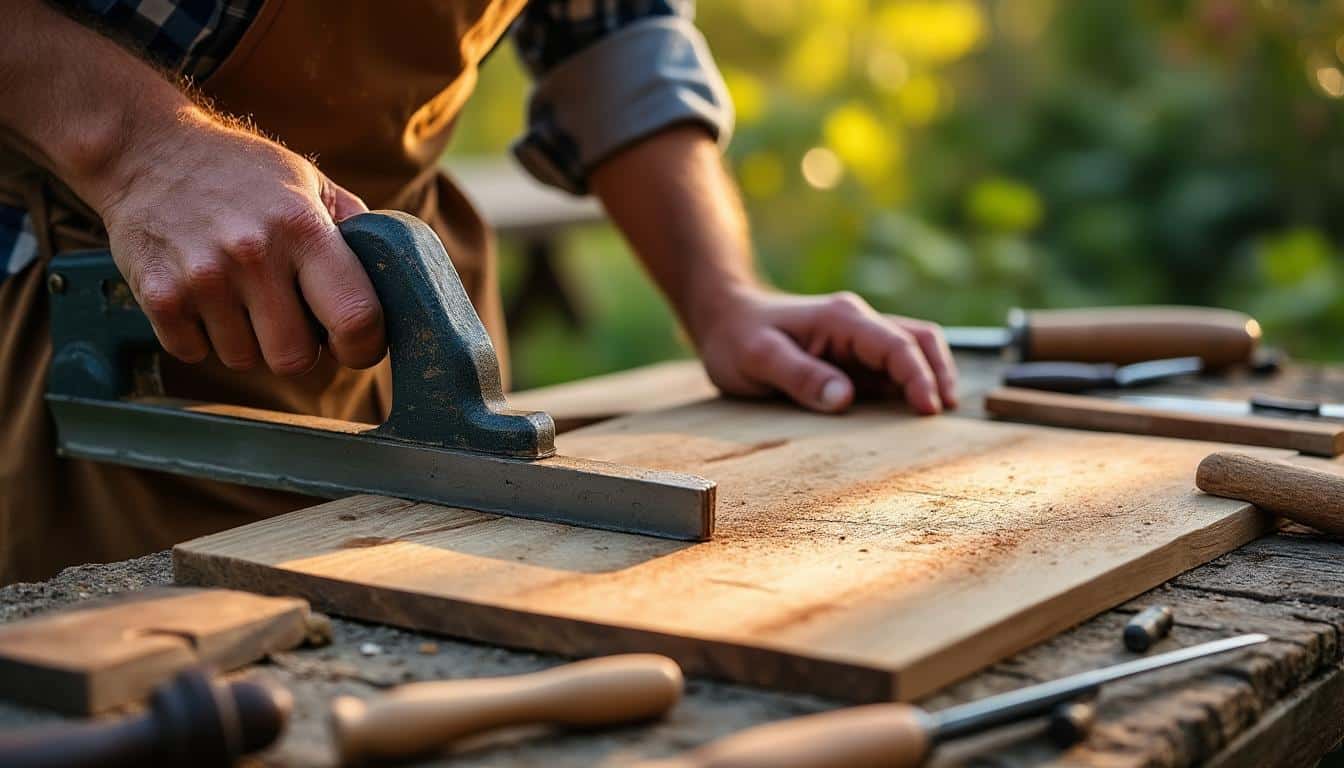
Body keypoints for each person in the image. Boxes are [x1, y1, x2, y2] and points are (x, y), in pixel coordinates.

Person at [0, 0, 959, 584]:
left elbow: (613, 25)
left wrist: (722, 293)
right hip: (79, 299)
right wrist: (140, 150)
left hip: (400, 281)